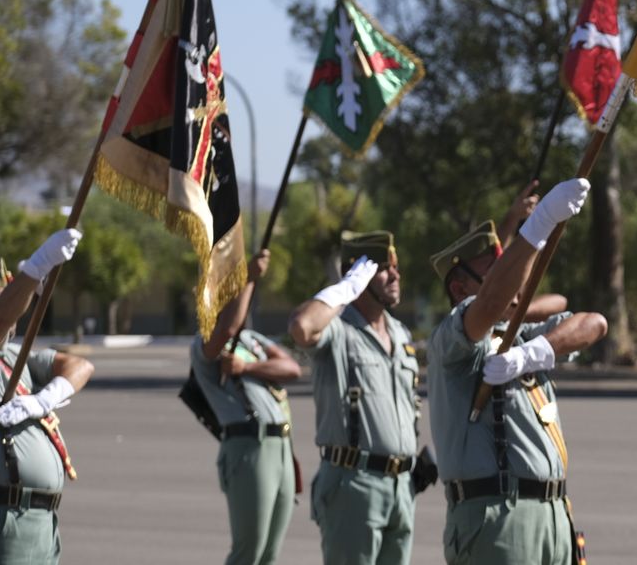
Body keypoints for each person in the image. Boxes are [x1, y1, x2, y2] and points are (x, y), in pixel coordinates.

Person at [427, 178, 609, 564]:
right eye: (496, 270)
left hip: (554, 514)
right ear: (459, 289)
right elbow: (491, 300)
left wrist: (535, 352)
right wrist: (540, 223)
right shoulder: (453, 342)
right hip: (498, 518)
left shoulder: (520, 333)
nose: (513, 276)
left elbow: (594, 323)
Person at [288, 230, 425, 564]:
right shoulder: (338, 330)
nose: (395, 276)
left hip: (402, 486)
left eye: (395, 267)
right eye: (384, 269)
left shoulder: (399, 333)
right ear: (359, 275)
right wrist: (345, 289)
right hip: (354, 484)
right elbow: (302, 326)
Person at [191, 248, 304, 565]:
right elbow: (227, 329)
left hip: (281, 446)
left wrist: (247, 367)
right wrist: (249, 279)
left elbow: (291, 369)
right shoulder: (205, 342)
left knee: (270, 551)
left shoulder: (252, 340)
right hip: (248, 447)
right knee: (249, 550)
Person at [0, 230, 92, 565]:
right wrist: (37, 267)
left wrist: (46, 398)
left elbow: (80, 366)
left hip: (40, 519)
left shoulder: (14, 356)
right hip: (7, 519)